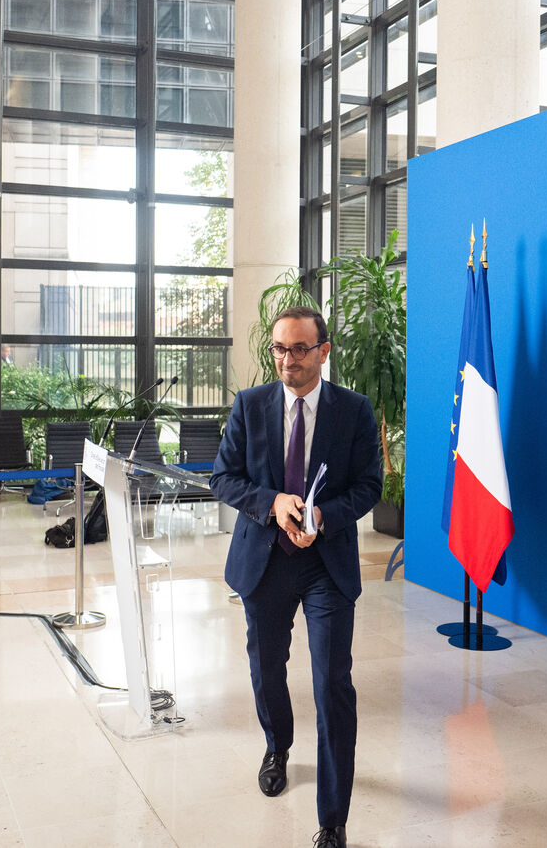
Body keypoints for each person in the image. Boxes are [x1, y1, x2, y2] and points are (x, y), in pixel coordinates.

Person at [210, 306, 382, 848]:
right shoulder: (250, 405)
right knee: (267, 671)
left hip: (326, 564)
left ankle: (333, 819)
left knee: (332, 684)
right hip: (265, 560)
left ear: (323, 352)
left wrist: (323, 515)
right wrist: (273, 502)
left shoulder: (353, 410)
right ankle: (277, 746)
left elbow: (369, 486)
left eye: (300, 348)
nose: (288, 359)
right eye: (280, 349)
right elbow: (223, 478)